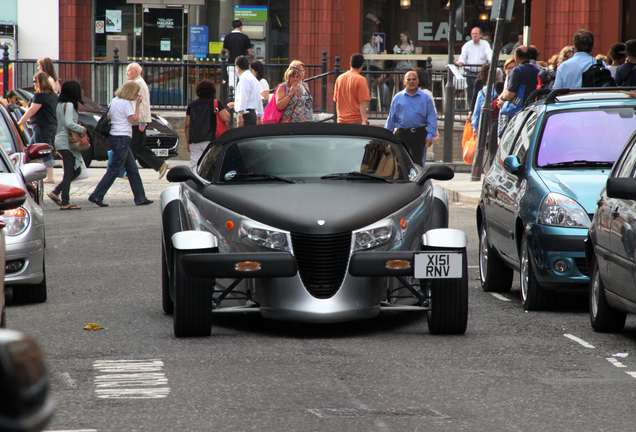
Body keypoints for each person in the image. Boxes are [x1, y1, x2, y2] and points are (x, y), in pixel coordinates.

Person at [88, 81, 153, 207]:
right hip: (122, 137)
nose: (136, 95)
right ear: (130, 92)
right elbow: (134, 121)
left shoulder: (114, 101)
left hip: (115, 136)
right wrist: (138, 105)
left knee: (132, 169)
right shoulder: (126, 103)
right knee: (114, 169)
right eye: (135, 92)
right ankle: (97, 195)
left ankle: (140, 197)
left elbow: (110, 117)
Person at [384, 71, 437, 168]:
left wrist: (430, 135)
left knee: (417, 163)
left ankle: (417, 182)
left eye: (413, 79)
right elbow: (391, 118)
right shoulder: (398, 98)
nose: (411, 82)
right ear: (404, 82)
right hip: (402, 133)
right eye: (408, 80)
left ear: (418, 81)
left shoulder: (425, 98)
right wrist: (387, 134)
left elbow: (431, 118)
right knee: (401, 161)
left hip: (419, 133)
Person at [125, 63, 169, 179]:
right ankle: (159, 164)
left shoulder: (137, 83)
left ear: (136, 72)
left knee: (133, 147)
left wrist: (142, 122)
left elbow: (142, 104)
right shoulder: (139, 82)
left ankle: (130, 171)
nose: (126, 73)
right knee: (138, 147)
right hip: (139, 120)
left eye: (129, 71)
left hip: (137, 121)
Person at [48, 81, 85, 210]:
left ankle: (56, 192)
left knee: (75, 170)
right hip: (66, 141)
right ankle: (65, 201)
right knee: (69, 172)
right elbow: (69, 123)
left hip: (61, 140)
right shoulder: (69, 105)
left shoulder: (60, 104)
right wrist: (82, 129)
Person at [17, 72, 57, 183]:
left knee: (43, 151)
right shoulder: (53, 95)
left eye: (34, 81)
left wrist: (20, 122)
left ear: (40, 82)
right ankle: (30, 175)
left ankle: (50, 176)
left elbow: (32, 110)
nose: (33, 84)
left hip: (42, 126)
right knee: (30, 150)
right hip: (51, 125)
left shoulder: (40, 96)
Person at [185, 79, 230, 168]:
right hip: (211, 140)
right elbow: (226, 118)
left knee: (195, 165)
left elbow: (187, 125)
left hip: (195, 141)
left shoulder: (192, 105)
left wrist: (188, 140)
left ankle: (194, 180)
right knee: (212, 165)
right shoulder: (215, 104)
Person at [457, 27, 493, 104]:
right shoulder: (467, 45)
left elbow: (490, 54)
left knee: (478, 92)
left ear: (481, 35)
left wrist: (491, 62)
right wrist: (460, 62)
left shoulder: (485, 44)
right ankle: (471, 110)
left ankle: (478, 110)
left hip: (480, 72)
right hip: (469, 72)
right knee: (470, 92)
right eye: (472, 34)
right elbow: (463, 56)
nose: (474, 35)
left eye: (476, 34)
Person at [333, 53, 371, 124]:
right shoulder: (361, 80)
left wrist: (339, 118)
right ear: (362, 66)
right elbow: (362, 102)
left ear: (350, 64)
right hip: (356, 121)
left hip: (342, 121)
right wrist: (364, 120)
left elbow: (336, 101)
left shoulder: (339, 78)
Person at [233, 55, 264, 127]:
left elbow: (243, 97)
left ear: (238, 68)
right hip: (253, 114)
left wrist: (240, 115)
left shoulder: (244, 79)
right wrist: (259, 115)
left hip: (245, 115)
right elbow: (258, 98)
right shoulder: (254, 79)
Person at [223, 20, 254, 89]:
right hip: (242, 64)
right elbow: (250, 52)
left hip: (231, 64)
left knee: (232, 83)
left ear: (232, 27)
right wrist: (252, 54)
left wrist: (229, 56)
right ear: (241, 27)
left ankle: (232, 97)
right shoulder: (245, 37)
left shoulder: (227, 37)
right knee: (243, 82)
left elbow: (226, 53)